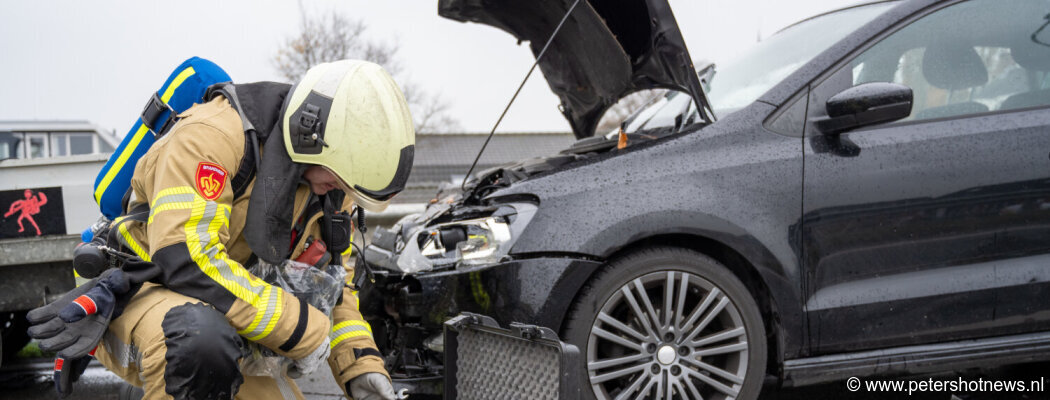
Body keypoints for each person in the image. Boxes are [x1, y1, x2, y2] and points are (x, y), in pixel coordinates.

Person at [37, 60, 414, 400]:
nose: (343, 193)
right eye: (341, 180)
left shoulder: (328, 184)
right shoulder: (212, 136)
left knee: (215, 341)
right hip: (146, 293)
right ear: (310, 136)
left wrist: (360, 368)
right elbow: (187, 261)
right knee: (198, 343)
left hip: (231, 312)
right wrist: (302, 329)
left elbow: (334, 288)